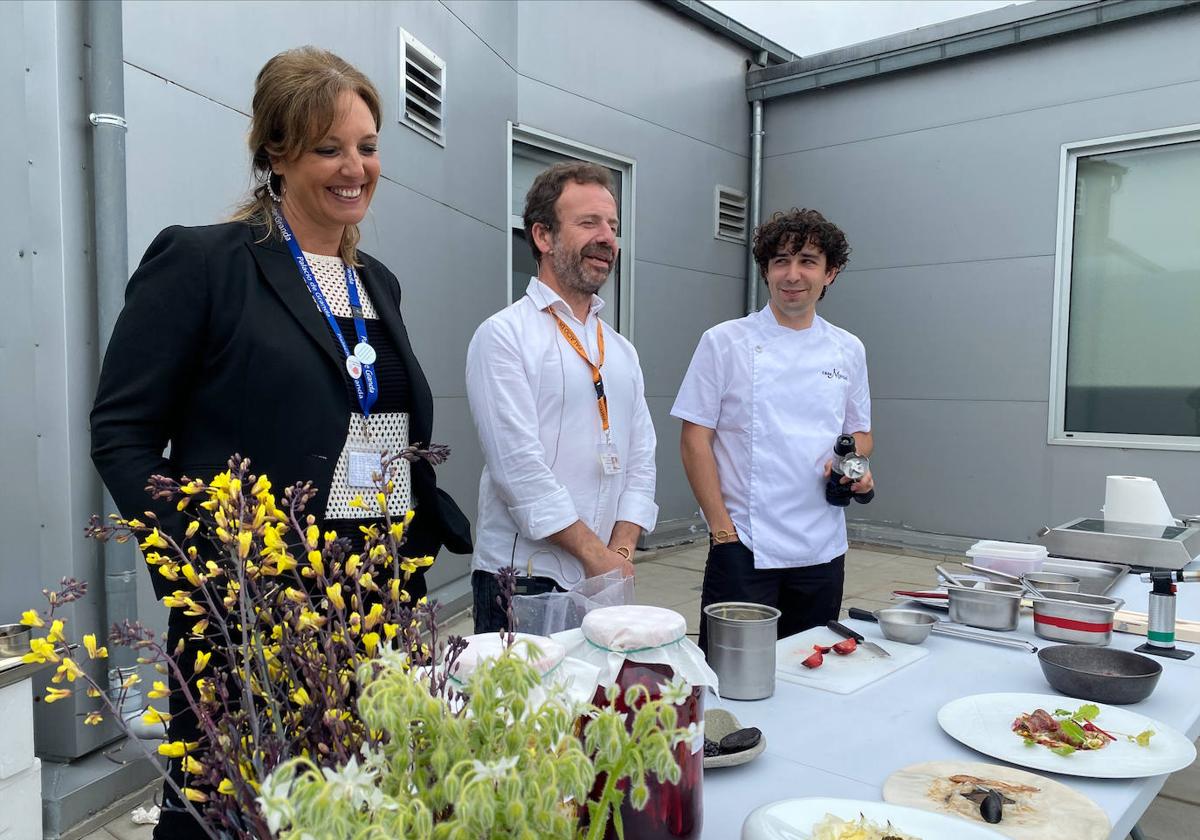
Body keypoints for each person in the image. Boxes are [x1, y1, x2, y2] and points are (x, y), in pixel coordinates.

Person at [90, 47, 470, 838]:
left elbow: (378, 428)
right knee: (230, 817)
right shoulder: (203, 263)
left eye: (366, 146)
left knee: (354, 809)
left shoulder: (377, 283)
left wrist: (398, 561)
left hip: (369, 605)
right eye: (328, 147)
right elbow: (121, 434)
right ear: (275, 152)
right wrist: (209, 570)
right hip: (250, 612)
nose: (354, 168)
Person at [466, 162, 658, 634]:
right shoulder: (503, 336)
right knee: (524, 710)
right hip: (524, 582)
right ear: (543, 236)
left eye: (612, 227)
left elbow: (642, 458)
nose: (607, 238)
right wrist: (598, 557)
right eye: (588, 223)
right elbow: (519, 472)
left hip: (605, 578)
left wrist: (620, 553)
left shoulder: (620, 350)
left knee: (592, 708)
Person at [671, 208, 873, 653]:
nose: (792, 274)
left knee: (809, 668)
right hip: (744, 545)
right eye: (780, 261)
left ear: (830, 273)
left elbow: (859, 431)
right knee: (733, 675)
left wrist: (853, 463)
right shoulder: (724, 341)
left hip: (822, 546)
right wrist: (723, 532)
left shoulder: (847, 348)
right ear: (766, 270)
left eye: (807, 261)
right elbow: (694, 439)